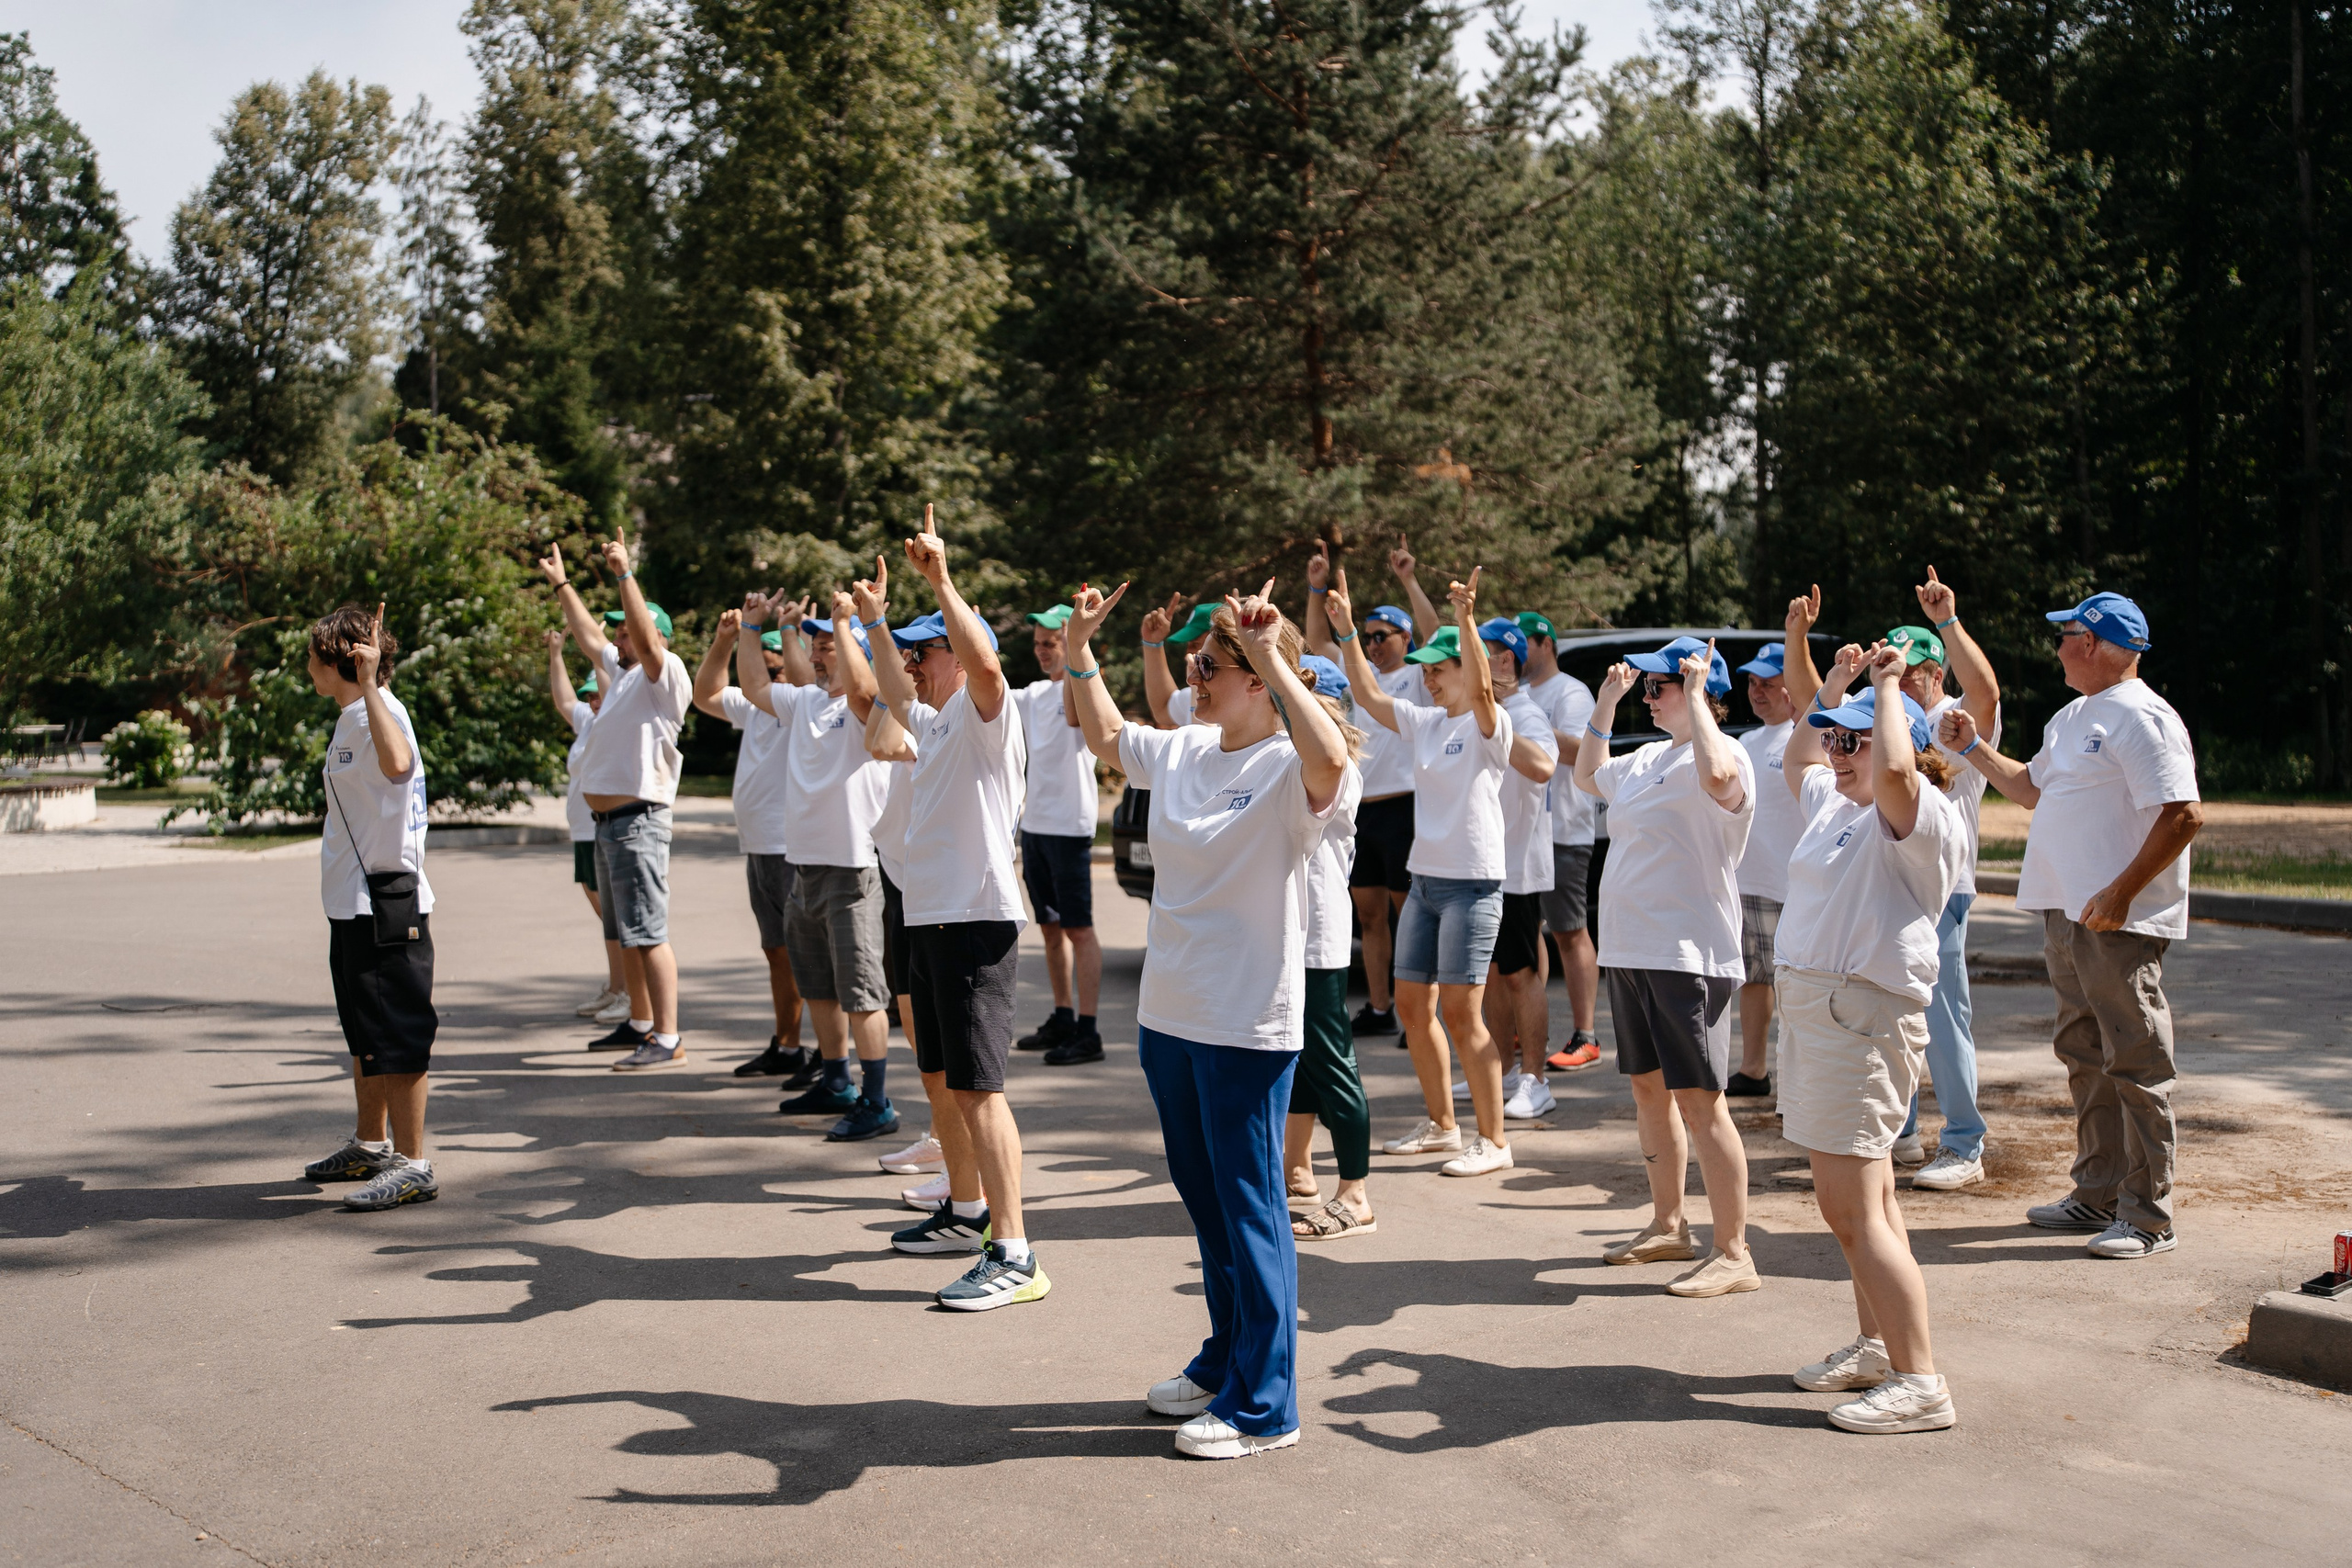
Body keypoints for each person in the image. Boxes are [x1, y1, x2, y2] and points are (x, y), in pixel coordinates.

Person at [1060, 575, 1359, 1460]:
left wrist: (1271, 650)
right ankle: (1226, 1356)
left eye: (1211, 664)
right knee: (1205, 1200)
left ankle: (1267, 1404)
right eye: (1195, 662)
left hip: (1246, 1021)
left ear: (1259, 680)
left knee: (1252, 1204)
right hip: (1172, 1014)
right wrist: (1080, 651)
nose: (1195, 674)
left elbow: (1334, 763)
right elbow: (1111, 736)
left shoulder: (1292, 765)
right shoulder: (1191, 748)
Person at [1941, 591, 2201, 1259]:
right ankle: (2099, 1193)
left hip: (2116, 919)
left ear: (2092, 643)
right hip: (2067, 912)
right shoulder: (2072, 716)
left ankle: (2149, 1216)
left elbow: (2182, 814)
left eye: (2065, 635)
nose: (2056, 646)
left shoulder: (2143, 716)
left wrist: (2119, 893)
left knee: (2136, 1058)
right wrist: (1973, 747)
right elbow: (2032, 788)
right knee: (2084, 1052)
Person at [836, 508, 1043, 1306]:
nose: (915, 666)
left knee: (983, 1089)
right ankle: (967, 1215)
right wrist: (880, 623)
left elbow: (987, 667)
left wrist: (942, 580)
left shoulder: (990, 713)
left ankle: (1015, 1250)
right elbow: (889, 688)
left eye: (927, 652)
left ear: (956, 653)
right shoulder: (935, 716)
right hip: (934, 917)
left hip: (974, 919)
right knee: (955, 1086)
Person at [1775, 642, 1968, 1433]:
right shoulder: (1839, 802)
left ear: (1898, 742)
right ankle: (1878, 1346)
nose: (1836, 750)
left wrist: (1888, 688)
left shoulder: (1918, 809)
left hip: (1859, 1016)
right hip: (1825, 1014)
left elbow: (1893, 772)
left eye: (1852, 738)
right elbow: (1796, 761)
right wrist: (1833, 690)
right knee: (1871, 1198)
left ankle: (1921, 1380)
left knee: (1851, 1208)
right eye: (1835, 737)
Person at [1574, 635, 1758, 1296]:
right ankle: (1669, 1223)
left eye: (1662, 686)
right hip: (1631, 949)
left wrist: (1703, 693)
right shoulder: (1648, 756)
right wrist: (1607, 700)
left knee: (1702, 1103)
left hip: (1689, 955)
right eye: (1647, 688)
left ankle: (1735, 1251)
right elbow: (1586, 774)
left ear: (1700, 688)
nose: (1649, 697)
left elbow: (1718, 781)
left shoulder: (1725, 751)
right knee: (1648, 1090)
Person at [1324, 566, 1518, 1178]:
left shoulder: (1490, 726)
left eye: (1441, 669)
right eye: (1426, 669)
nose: (1430, 679)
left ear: (1468, 668)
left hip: (1472, 884)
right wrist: (1348, 631)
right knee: (1412, 1008)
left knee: (1463, 1012)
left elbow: (1485, 694)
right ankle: (1442, 1125)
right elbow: (1370, 695)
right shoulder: (1426, 722)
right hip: (1427, 882)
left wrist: (1464, 617)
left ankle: (1494, 1138)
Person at [729, 595, 899, 1140]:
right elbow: (755, 687)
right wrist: (751, 631)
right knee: (820, 987)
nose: (823, 648)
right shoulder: (806, 702)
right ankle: (836, 1081)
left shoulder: (869, 706)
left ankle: (877, 1102)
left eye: (832, 641)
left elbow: (866, 688)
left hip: (851, 871)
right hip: (804, 867)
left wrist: (850, 624)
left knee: (862, 992)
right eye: (818, 640)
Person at [300, 603, 440, 1212]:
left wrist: (373, 677)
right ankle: (371, 1144)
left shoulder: (379, 715)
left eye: (313, 656)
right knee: (366, 1035)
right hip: (351, 904)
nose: (307, 666)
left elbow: (399, 764)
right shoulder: (355, 714)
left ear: (337, 660)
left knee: (399, 1036)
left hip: (385, 902)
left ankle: (413, 1164)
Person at [540, 531, 692, 1069]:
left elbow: (647, 644)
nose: (618, 640)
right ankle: (642, 1023)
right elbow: (586, 634)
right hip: (609, 823)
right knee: (627, 931)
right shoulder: (623, 678)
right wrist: (562, 584)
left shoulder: (663, 674)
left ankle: (667, 1037)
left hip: (638, 820)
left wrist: (625, 572)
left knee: (649, 932)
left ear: (652, 635)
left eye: (627, 633)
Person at [1882, 568, 2003, 1189]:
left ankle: (1963, 1142)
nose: (1902, 682)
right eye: (1894, 672)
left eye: (1913, 673)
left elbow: (1986, 692)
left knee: (1943, 1014)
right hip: (1887, 883)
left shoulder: (1954, 722)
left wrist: (1947, 622)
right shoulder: (1883, 721)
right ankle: (1899, 1132)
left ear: (1936, 674)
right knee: (1892, 1006)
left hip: (1944, 890)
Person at [1305, 536, 1442, 1040]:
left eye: (1385, 635)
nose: (1376, 643)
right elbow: (1317, 645)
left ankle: (1418, 1013)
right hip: (1363, 812)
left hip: (1406, 808)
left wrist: (1409, 579)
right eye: (1370, 636)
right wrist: (1317, 590)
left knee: (1411, 912)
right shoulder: (1356, 675)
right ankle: (1381, 1007)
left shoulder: (1419, 677)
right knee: (1369, 913)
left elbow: (1438, 634)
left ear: (1405, 639)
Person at [688, 604, 813, 1084]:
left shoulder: (801, 698)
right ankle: (787, 1044)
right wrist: (726, 639)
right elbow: (706, 695)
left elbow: (803, 682)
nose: (761, 661)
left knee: (806, 954)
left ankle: (827, 1055)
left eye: (771, 654)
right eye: (756, 654)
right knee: (777, 949)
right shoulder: (755, 705)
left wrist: (786, 630)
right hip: (760, 844)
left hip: (791, 844)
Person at [1282, 651, 1378, 1243]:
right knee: (1300, 1060)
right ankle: (1297, 1171)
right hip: (1291, 931)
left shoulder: (1331, 766)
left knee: (1330, 1060)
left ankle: (1356, 1195)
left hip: (1316, 938)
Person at [1726, 588, 1823, 1096]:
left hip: (1798, 888)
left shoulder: (1812, 738)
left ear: (1792, 688)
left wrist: (1797, 635)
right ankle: (1754, 1068)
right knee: (1754, 979)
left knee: (1797, 987)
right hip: (1752, 883)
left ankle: (1798, 1082)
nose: (1758, 692)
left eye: (1769, 683)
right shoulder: (1744, 742)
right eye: (1751, 684)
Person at [1468, 615, 1561, 1121]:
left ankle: (1536, 1079)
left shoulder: (1525, 716)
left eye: (1478, 653)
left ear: (1506, 660)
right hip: (1486, 865)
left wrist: (1495, 719)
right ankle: (1504, 1070)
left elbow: (1544, 766)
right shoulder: (1490, 712)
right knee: (1495, 974)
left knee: (1522, 974)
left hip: (1518, 867)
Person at [1012, 604, 1106, 1065]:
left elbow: (1074, 718)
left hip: (1070, 826)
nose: (1042, 651)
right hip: (1036, 826)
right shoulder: (1029, 695)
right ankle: (1064, 1017)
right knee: (1050, 929)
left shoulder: (1081, 682)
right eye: (1038, 644)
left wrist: (1076, 644)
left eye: (1051, 642)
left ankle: (1089, 1031)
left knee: (1078, 930)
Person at [1519, 613, 1603, 1071]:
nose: (1507, 654)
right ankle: (1529, 1031)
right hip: (1525, 832)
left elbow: (1577, 753)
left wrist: (1515, 726)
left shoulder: (1570, 691)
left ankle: (1586, 1035)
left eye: (1519, 644)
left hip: (1564, 830)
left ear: (1545, 644)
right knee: (1528, 933)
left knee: (1570, 932)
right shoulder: (1520, 696)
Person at [547, 631, 628, 1027]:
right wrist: (556, 653)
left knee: (616, 919)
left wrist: (594, 644)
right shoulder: (586, 723)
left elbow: (607, 676)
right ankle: (618, 987)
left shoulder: (612, 722)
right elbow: (563, 699)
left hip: (601, 830)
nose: (592, 700)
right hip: (584, 835)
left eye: (598, 693)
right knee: (608, 920)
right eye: (589, 695)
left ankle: (630, 991)